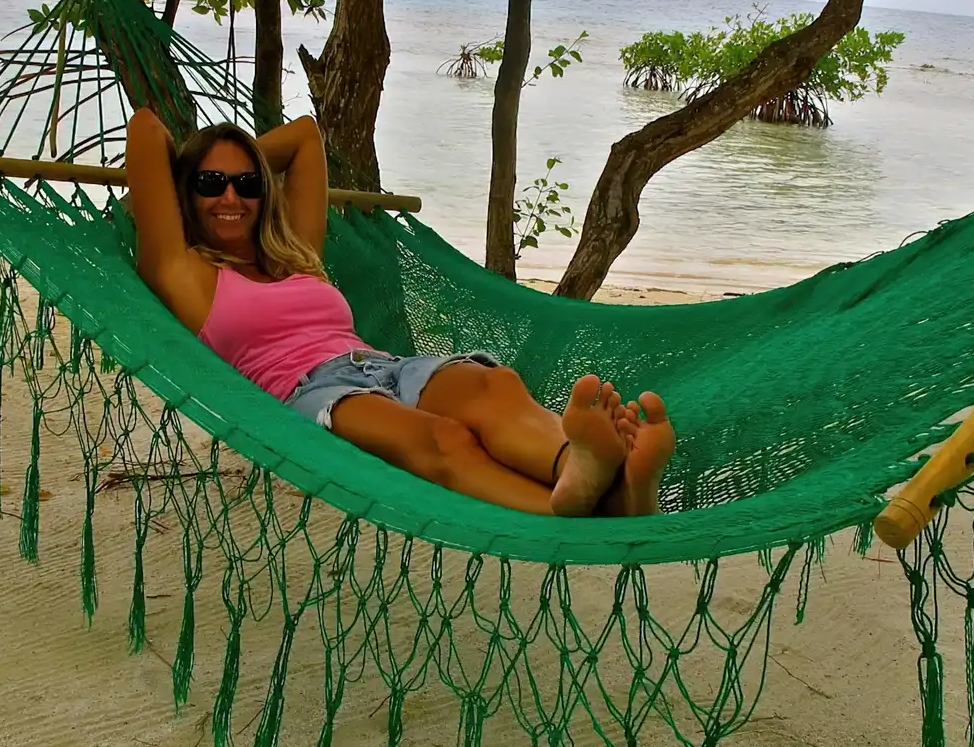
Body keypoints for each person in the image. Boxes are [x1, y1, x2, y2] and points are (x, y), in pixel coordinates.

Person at [124, 108, 674, 517]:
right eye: (209, 184)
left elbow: (306, 135)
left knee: (495, 386)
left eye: (246, 184)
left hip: (381, 363)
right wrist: (200, 167)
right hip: (308, 393)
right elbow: (147, 130)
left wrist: (231, 171)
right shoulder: (183, 270)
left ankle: (582, 472)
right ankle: (574, 509)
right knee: (441, 441)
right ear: (184, 194)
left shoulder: (295, 254)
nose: (230, 197)